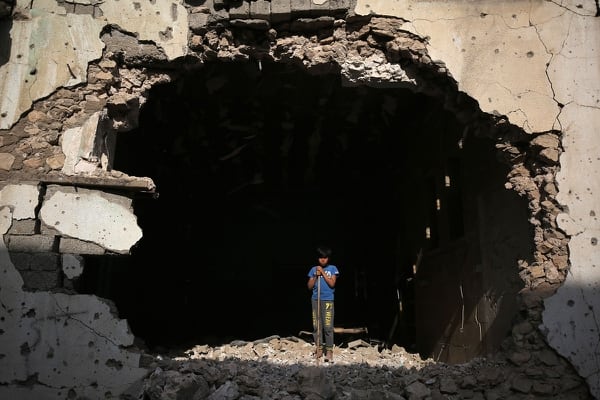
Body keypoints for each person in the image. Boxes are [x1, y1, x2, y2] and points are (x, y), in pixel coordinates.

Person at [307, 246, 339, 362]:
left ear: (328, 258)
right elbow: (309, 286)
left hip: (327, 300)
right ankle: (319, 348)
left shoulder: (332, 269)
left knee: (328, 326)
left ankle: (329, 351)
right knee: (317, 325)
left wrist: (323, 273)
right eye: (321, 258)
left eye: (325, 258)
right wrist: (316, 275)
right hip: (316, 299)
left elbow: (332, 284)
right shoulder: (313, 269)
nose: (323, 260)